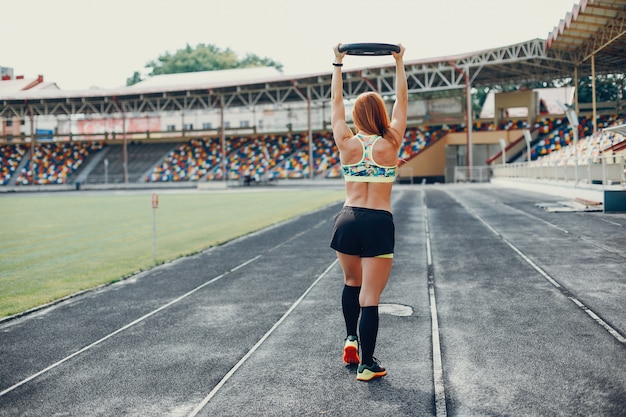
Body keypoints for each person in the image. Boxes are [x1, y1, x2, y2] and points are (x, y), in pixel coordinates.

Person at [329, 43, 407, 382]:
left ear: (357, 117)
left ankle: (350, 339)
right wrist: (399, 62)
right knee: (370, 295)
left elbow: (335, 105)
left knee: (351, 282)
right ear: (381, 115)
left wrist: (337, 64)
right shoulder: (390, 143)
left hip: (347, 219)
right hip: (377, 220)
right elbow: (403, 102)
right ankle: (367, 364)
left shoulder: (346, 142)